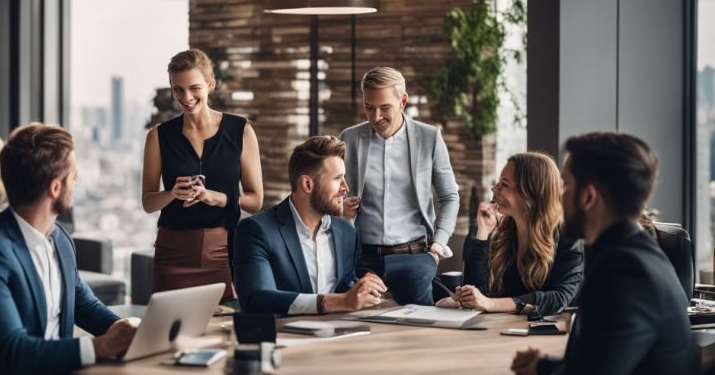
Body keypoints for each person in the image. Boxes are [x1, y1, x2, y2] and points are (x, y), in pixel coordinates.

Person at [0, 123, 280, 375]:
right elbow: (11, 354)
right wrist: (99, 348)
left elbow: (82, 302)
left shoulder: (57, 240)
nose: (76, 182)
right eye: (73, 176)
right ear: (56, 188)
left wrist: (132, 331)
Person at [461, 132, 697, 375]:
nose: (557, 196)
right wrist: (544, 367)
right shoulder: (631, 254)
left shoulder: (624, 272)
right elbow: (604, 364)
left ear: (588, 197)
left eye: (565, 186)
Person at [141, 48, 263, 300]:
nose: (186, 97)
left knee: (223, 330)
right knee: (169, 334)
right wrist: (172, 193)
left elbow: (255, 201)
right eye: (178, 89)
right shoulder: (158, 136)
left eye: (194, 87)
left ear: (210, 84)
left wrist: (218, 198)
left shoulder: (240, 130)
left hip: (222, 251)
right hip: (171, 252)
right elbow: (148, 202)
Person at [339, 67, 460, 305]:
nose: (375, 117)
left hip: (414, 256)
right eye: (368, 107)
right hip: (362, 257)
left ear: (402, 101)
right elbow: (333, 193)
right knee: (360, 325)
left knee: (418, 328)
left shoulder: (429, 137)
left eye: (384, 107)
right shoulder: (349, 139)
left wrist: (437, 247)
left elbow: (450, 196)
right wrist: (341, 209)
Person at [234, 135, 387, 315]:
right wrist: (335, 302)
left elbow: (344, 285)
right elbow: (256, 298)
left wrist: (364, 289)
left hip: (342, 331)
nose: (345, 188)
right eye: (337, 179)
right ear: (307, 184)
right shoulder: (256, 230)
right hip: (285, 336)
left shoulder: (346, 231)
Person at [436, 152, 583, 316]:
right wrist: (482, 233)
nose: (494, 189)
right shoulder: (500, 231)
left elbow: (560, 297)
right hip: (507, 328)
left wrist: (492, 303)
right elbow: (477, 298)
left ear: (530, 194)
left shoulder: (569, 236)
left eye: (504, 184)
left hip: (556, 333)